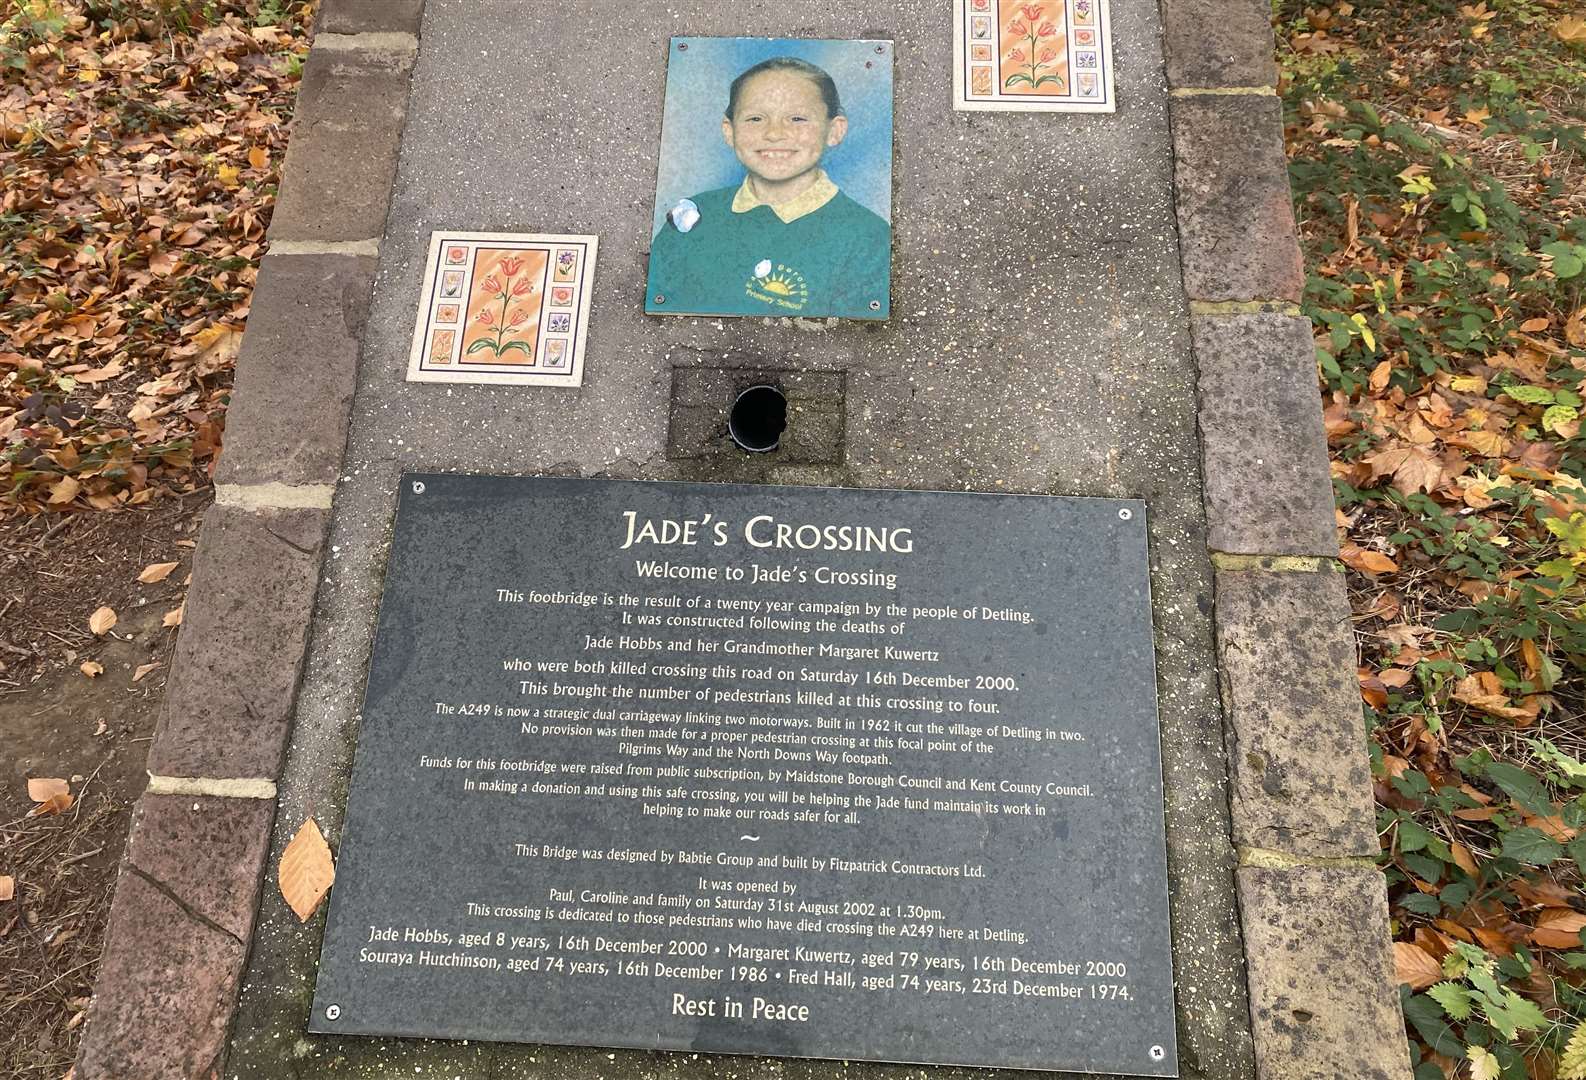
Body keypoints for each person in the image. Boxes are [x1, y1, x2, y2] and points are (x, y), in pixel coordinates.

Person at [646, 56, 891, 319]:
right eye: (755, 118)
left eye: (797, 118)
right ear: (729, 131)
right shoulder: (693, 216)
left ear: (834, 130)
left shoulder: (868, 238)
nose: (774, 133)